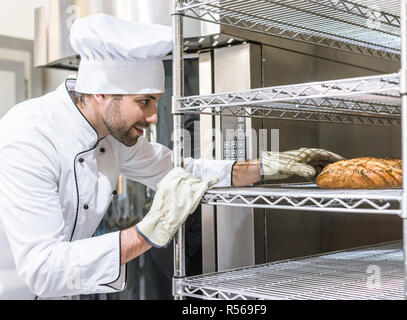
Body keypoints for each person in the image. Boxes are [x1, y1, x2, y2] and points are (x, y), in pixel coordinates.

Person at [0, 14, 342, 300]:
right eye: (145, 102)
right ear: (102, 92)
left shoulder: (112, 132)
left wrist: (264, 167)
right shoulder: (29, 137)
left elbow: (178, 169)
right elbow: (42, 270)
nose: (155, 118)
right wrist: (148, 232)